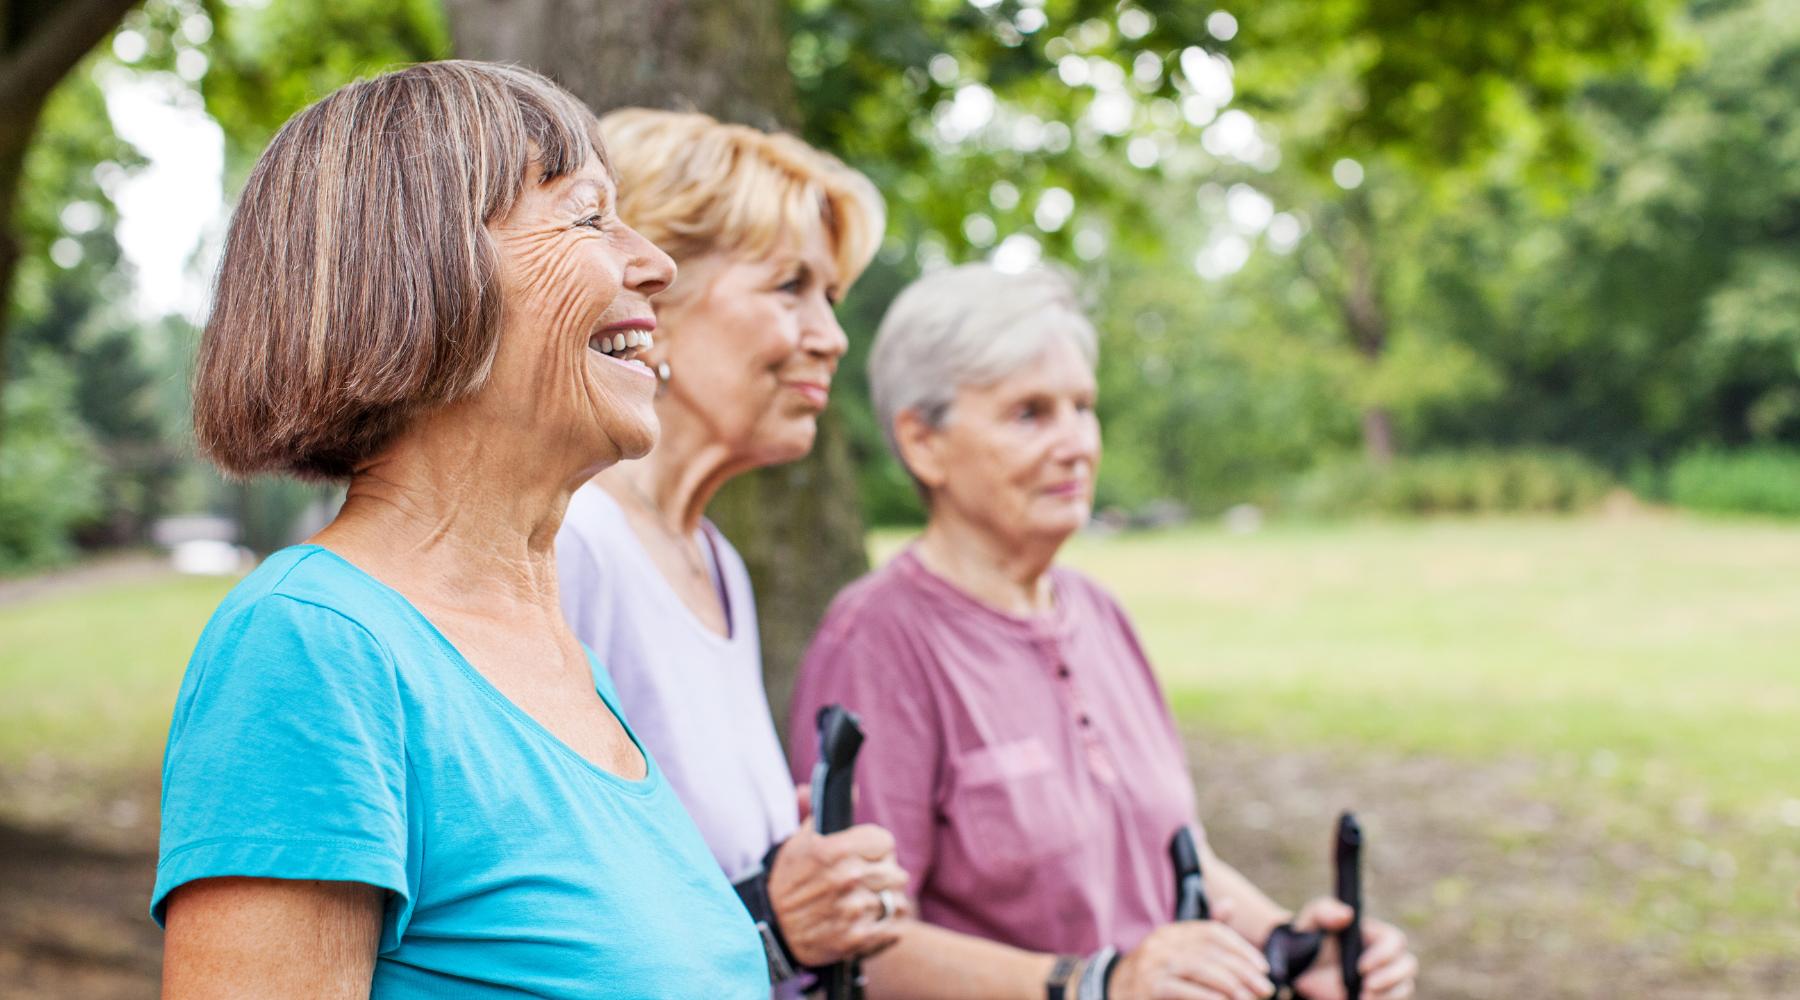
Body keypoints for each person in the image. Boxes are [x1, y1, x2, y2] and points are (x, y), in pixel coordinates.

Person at [155, 62, 767, 998]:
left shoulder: (557, 656)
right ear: (421, 269)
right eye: (589, 216)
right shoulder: (313, 649)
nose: (654, 263)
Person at [789, 264, 1420, 1000]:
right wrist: (1094, 985)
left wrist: (1289, 944)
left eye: (1082, 407)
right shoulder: (879, 639)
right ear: (924, 442)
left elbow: (1171, 854)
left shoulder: (1099, 613)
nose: (1076, 443)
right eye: (1030, 413)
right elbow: (859, 950)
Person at [553, 108, 908, 992]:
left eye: (830, 296)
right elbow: (551, 916)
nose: (831, 335)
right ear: (654, 298)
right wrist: (772, 917)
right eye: (790, 286)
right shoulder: (575, 544)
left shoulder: (717, 565)